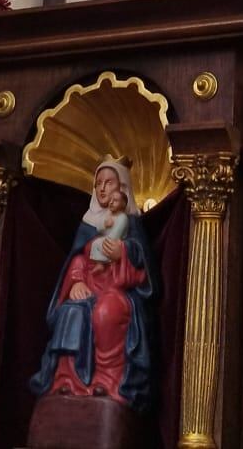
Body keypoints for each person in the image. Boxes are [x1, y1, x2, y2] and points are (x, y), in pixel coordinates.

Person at [29, 159, 154, 408]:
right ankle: (66, 381)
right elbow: (77, 259)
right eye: (98, 184)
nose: (102, 188)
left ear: (122, 188)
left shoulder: (131, 224)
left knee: (106, 313)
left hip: (117, 288)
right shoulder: (88, 224)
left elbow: (145, 271)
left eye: (109, 183)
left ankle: (108, 383)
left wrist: (123, 253)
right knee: (69, 312)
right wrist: (75, 281)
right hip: (88, 285)